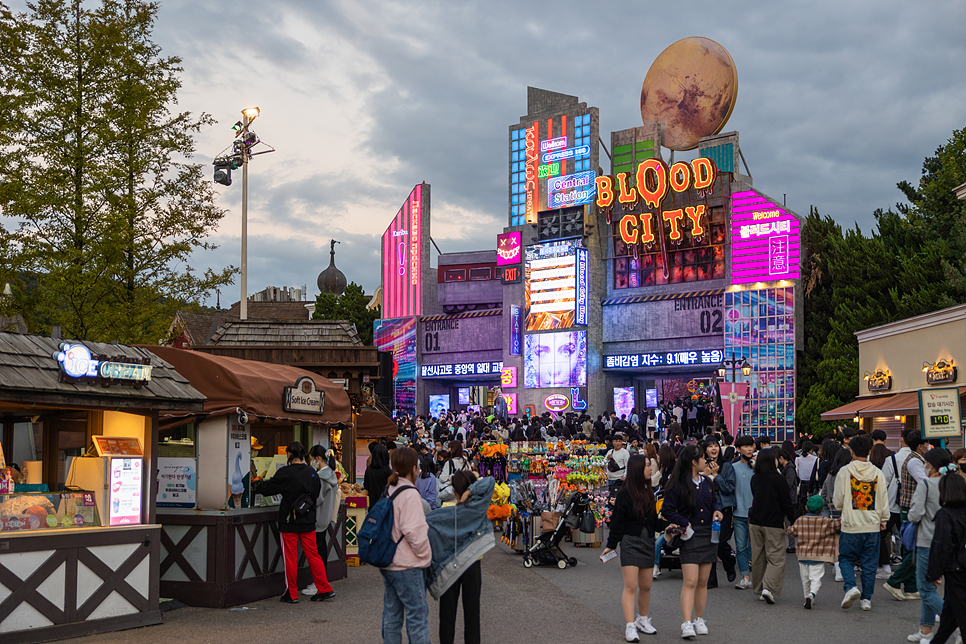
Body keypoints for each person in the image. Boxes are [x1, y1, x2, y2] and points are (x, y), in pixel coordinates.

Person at [254, 442, 334, 604]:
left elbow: (268, 488)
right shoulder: (312, 473)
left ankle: (292, 593)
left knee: (290, 557)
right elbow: (315, 494)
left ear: (290, 454)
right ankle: (325, 588)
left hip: (289, 521)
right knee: (313, 555)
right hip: (308, 519)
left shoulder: (285, 472)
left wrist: (255, 483)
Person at [661, 445, 723, 639]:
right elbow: (667, 510)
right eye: (703, 458)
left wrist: (717, 510)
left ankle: (699, 618)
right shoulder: (677, 484)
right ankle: (686, 622)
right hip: (689, 533)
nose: (706, 461)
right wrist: (683, 523)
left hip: (708, 533)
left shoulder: (707, 482)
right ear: (693, 462)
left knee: (703, 581)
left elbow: (714, 502)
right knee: (690, 580)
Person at [602, 455, 664, 642]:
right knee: (631, 586)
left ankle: (642, 619)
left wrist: (670, 525)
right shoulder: (624, 493)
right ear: (637, 468)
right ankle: (630, 625)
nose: (650, 468)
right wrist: (611, 545)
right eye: (647, 466)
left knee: (646, 586)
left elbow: (653, 521)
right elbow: (617, 522)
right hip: (629, 541)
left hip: (647, 542)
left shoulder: (648, 491)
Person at [430, 470, 492, 644]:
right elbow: (490, 481)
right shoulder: (477, 508)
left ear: (454, 491)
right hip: (473, 564)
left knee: (447, 615)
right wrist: (471, 492)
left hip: (449, 565)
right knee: (472, 614)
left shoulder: (445, 509)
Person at [380, 446, 432, 644]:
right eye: (417, 467)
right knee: (417, 617)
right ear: (412, 468)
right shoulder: (410, 494)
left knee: (392, 615)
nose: (419, 470)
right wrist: (426, 556)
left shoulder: (390, 489)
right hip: (408, 564)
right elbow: (414, 533)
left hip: (389, 560)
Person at [834, 433, 889, 611]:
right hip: (872, 526)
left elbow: (837, 502)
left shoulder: (844, 472)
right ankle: (866, 599)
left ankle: (850, 586)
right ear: (869, 451)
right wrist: (884, 519)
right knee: (869, 564)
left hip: (850, 525)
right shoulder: (878, 473)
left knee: (845, 559)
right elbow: (883, 499)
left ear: (851, 452)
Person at [906, 448, 950, 642]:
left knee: (925, 589)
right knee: (929, 588)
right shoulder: (953, 484)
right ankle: (925, 631)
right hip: (948, 543)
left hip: (926, 541)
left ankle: (955, 621)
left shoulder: (926, 484)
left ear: (930, 465)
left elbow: (915, 514)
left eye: (925, 462)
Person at [924, 464, 966, 644]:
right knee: (951, 612)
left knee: (961, 612)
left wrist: (934, 572)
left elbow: (941, 545)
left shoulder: (945, 514)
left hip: (956, 569)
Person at [886, 430, 930, 601]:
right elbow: (925, 482)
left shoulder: (917, 459)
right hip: (911, 508)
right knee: (915, 550)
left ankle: (911, 588)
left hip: (910, 507)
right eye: (926, 443)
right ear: (920, 445)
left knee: (910, 549)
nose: (928, 446)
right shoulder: (914, 462)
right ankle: (893, 581)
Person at [749, 448, 795, 603]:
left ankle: (760, 588)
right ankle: (768, 588)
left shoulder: (755, 478)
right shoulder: (778, 479)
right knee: (776, 557)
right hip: (773, 522)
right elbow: (786, 503)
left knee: (758, 557)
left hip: (755, 522)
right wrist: (794, 520)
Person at [787, 495, 841, 609]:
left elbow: (792, 532)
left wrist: (788, 528)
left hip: (802, 555)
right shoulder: (826, 521)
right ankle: (812, 594)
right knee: (816, 578)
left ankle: (806, 595)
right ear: (822, 510)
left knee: (805, 578)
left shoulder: (800, 520)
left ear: (806, 508)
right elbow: (838, 524)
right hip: (819, 555)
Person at [302, 445, 340, 596]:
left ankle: (318, 584)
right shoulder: (331, 474)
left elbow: (318, 499)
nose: (311, 462)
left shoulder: (321, 477)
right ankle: (322, 582)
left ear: (317, 459)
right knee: (321, 550)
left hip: (318, 518)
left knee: (317, 553)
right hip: (326, 517)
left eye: (312, 459)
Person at [703, 438, 737, 588]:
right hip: (706, 509)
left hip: (724, 508)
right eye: (710, 446)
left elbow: (730, 488)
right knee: (710, 544)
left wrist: (716, 475)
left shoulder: (727, 466)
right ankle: (711, 579)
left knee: (722, 543)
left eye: (716, 445)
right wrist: (705, 474)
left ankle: (729, 564)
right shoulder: (701, 465)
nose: (713, 449)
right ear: (705, 450)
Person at [871, 442, 901, 579]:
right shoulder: (914, 460)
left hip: (889, 505)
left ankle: (885, 567)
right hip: (905, 505)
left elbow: (882, 485)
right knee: (906, 535)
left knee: (881, 535)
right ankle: (907, 562)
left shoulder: (889, 462)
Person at [732, 435, 756, 590]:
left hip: (755, 512)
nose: (749, 449)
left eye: (751, 446)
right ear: (738, 449)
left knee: (755, 546)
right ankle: (745, 577)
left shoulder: (758, 466)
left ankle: (759, 576)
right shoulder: (732, 468)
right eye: (745, 446)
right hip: (738, 512)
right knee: (740, 546)